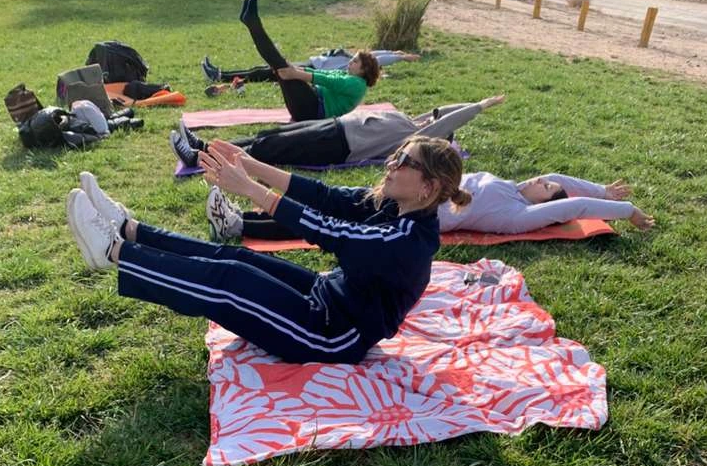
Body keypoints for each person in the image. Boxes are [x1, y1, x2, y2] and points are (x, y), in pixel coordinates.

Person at [65, 138, 468, 364]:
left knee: (230, 283)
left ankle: (113, 252)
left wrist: (251, 190)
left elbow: (329, 231)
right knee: (240, 259)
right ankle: (129, 229)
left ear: (427, 187)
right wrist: (252, 164)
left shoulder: (408, 243)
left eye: (404, 162)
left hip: (332, 335)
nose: (392, 164)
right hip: (327, 296)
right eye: (398, 155)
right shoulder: (393, 203)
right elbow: (325, 197)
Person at [170, 96, 505, 174]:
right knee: (266, 136)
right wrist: (455, 108)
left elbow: (446, 121)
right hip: (336, 126)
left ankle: (199, 158)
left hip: (338, 145)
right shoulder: (412, 120)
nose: (434, 117)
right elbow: (442, 112)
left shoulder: (417, 139)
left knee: (268, 150)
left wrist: (479, 106)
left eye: (438, 122)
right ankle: (202, 145)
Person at [238, 0, 380, 121]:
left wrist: (296, 73)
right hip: (308, 104)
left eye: (355, 61)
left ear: (364, 69)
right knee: (279, 65)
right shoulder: (347, 75)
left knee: (279, 64)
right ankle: (252, 23)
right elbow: (321, 73)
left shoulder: (357, 85)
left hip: (310, 111)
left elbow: (327, 80)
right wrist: (298, 70)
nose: (350, 61)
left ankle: (252, 23)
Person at [436, 172, 655, 233]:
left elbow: (575, 205)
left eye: (546, 187)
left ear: (542, 205)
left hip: (424, 202)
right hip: (431, 179)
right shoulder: (512, 189)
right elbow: (556, 177)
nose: (541, 179)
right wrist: (602, 191)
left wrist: (628, 211)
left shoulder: (515, 214)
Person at [201, 48, 420, 85]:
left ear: (363, 69)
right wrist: (398, 53)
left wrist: (401, 58)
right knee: (262, 69)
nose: (353, 59)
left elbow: (379, 59)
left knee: (264, 72)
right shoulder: (357, 62)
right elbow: (377, 54)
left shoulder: (350, 70)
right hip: (311, 65)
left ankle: (219, 76)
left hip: (309, 70)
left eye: (357, 61)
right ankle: (221, 74)